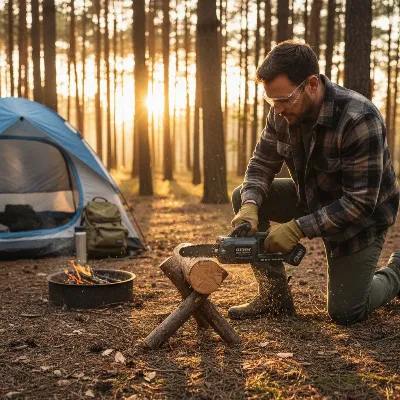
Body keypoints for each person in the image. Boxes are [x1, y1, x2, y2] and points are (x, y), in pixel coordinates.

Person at [229, 40, 400, 325]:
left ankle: (397, 272)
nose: (278, 108)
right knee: (243, 195)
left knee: (347, 312)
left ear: (311, 84)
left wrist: (297, 228)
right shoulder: (282, 112)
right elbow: (261, 163)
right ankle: (275, 298)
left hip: (360, 219)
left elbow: (359, 203)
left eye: (284, 100)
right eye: (272, 100)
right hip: (310, 197)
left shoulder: (359, 118)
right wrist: (249, 205)